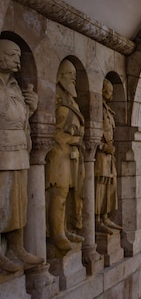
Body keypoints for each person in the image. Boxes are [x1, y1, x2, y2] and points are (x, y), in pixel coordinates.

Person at [0, 39, 44, 272]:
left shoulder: (15, 85)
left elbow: (18, 117)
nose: (18, 59)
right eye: (12, 54)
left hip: (18, 151)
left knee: (18, 202)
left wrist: (31, 108)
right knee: (1, 203)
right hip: (2, 151)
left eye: (19, 55)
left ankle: (16, 247)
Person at [45, 60, 85, 251]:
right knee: (58, 192)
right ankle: (56, 233)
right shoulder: (54, 99)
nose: (74, 79)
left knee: (70, 193)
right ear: (60, 76)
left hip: (73, 155)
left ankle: (65, 228)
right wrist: (69, 140)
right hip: (58, 153)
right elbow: (46, 130)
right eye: (69, 74)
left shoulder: (71, 101)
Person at [95, 79, 122, 234]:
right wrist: (104, 147)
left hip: (109, 156)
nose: (110, 94)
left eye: (112, 91)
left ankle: (105, 217)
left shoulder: (108, 111)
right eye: (108, 90)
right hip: (100, 156)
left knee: (110, 185)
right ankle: (97, 220)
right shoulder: (96, 109)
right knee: (99, 186)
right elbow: (90, 136)